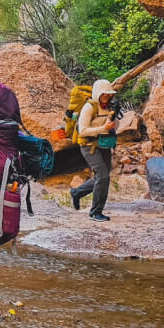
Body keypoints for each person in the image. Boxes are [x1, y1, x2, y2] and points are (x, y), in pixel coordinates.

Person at [70, 79, 118, 222]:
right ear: (98, 93)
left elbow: (111, 126)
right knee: (102, 176)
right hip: (88, 145)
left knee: (103, 176)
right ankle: (95, 212)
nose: (107, 96)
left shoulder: (109, 106)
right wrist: (103, 128)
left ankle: (77, 193)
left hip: (103, 144)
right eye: (104, 94)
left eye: (109, 94)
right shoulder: (89, 107)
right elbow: (83, 131)